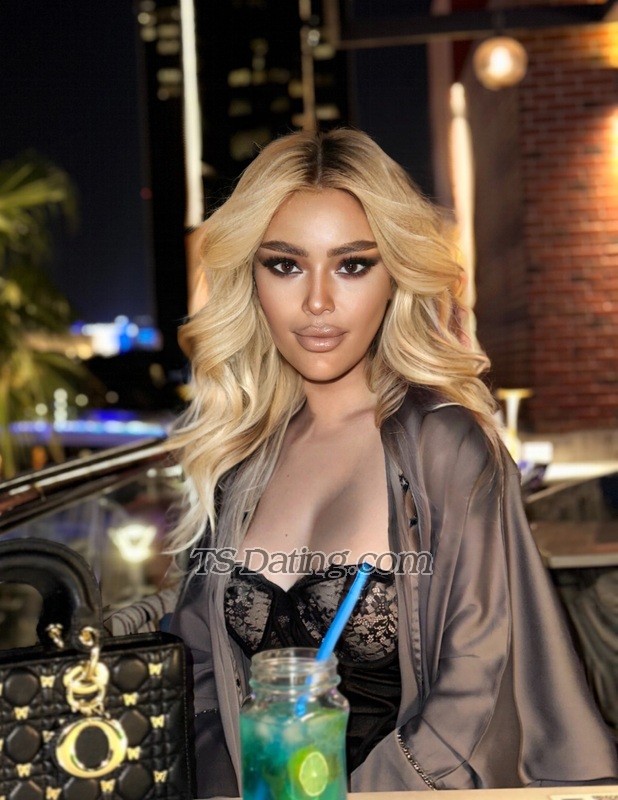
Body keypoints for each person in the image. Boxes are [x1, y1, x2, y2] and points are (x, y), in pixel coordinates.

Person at [168, 128, 618, 795]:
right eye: (285, 265)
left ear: (394, 277)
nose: (317, 301)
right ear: (252, 279)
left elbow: (476, 684)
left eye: (352, 265)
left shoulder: (445, 445)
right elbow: (199, 671)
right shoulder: (239, 459)